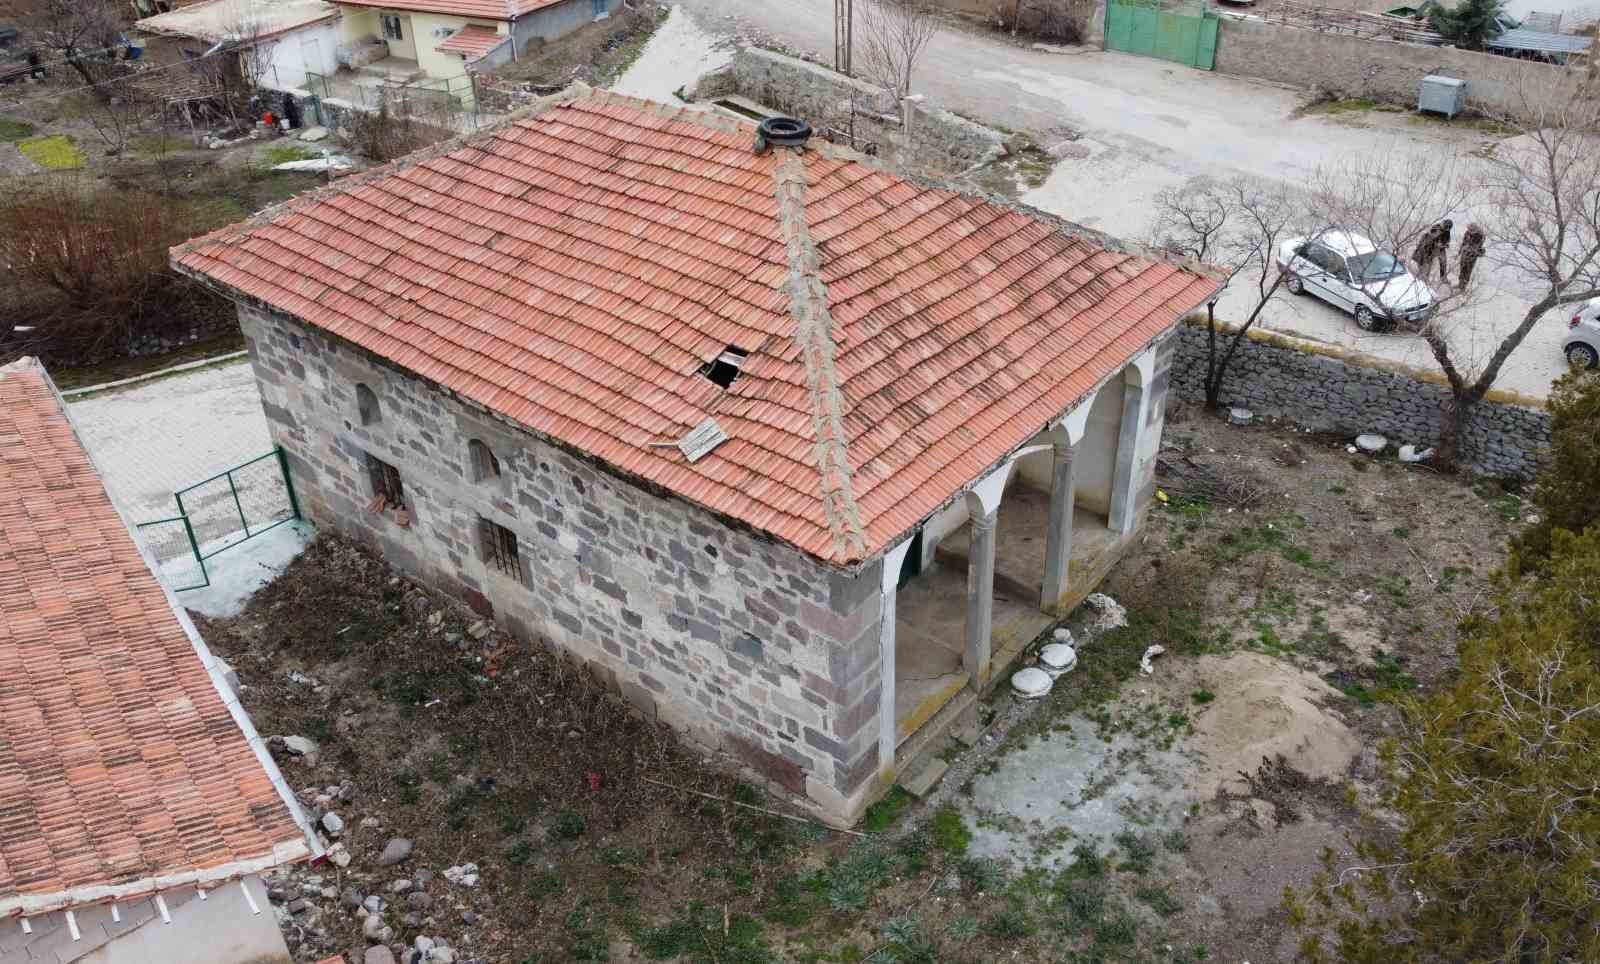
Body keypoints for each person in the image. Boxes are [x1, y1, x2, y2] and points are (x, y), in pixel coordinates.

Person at [1458, 223, 1486, 287]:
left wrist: (1476, 252)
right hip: (1465, 252)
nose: (1469, 231)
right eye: (1469, 229)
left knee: (1468, 270)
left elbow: (1478, 247)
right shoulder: (1467, 233)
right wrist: (1460, 251)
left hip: (1472, 255)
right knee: (1462, 268)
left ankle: (1463, 286)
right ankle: (1460, 284)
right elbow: (1464, 242)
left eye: (1471, 230)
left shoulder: (1480, 235)